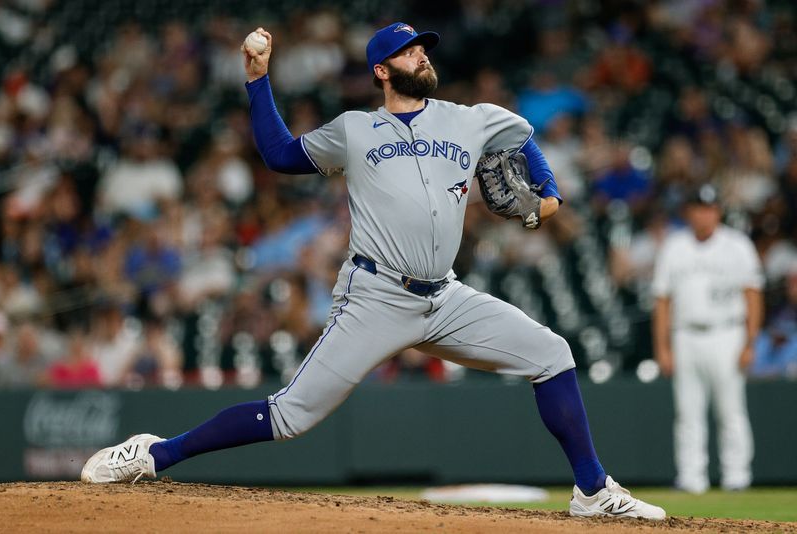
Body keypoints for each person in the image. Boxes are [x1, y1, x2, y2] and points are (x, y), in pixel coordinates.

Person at [81, 23, 665, 520]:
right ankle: (155, 454)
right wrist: (258, 80)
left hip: (446, 298)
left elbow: (523, 138)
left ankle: (592, 491)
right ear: (382, 70)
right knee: (289, 416)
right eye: (411, 51)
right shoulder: (355, 130)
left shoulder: (470, 119)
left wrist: (548, 198)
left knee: (552, 354)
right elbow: (280, 155)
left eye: (424, 48)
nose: (423, 56)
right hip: (376, 296)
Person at [652, 183, 764, 494]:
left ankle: (737, 476)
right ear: (689, 212)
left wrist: (750, 342)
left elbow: (753, 295)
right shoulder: (675, 246)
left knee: (731, 409)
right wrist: (662, 347)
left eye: (709, 208)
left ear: (718, 211)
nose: (704, 214)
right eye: (698, 208)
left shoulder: (737, 245)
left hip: (727, 332)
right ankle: (691, 477)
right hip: (685, 334)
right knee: (688, 411)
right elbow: (662, 301)